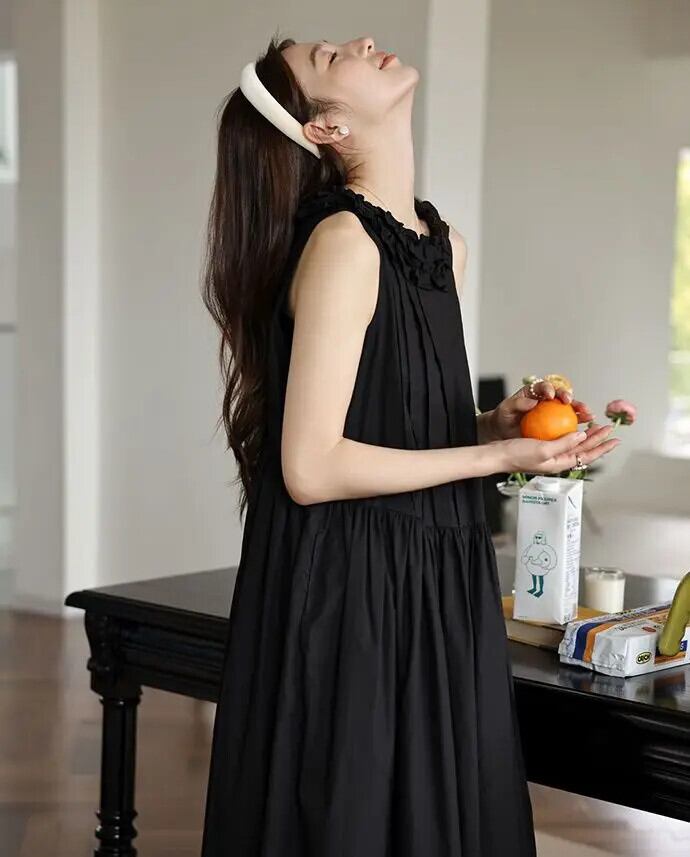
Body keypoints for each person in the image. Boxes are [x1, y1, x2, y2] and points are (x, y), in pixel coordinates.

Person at [199, 33, 620, 857]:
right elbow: (311, 467)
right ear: (325, 128)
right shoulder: (343, 245)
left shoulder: (438, 245)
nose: (361, 42)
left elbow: (392, 422)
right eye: (331, 58)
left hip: (431, 570)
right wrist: (499, 458)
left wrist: (491, 427)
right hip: (350, 585)